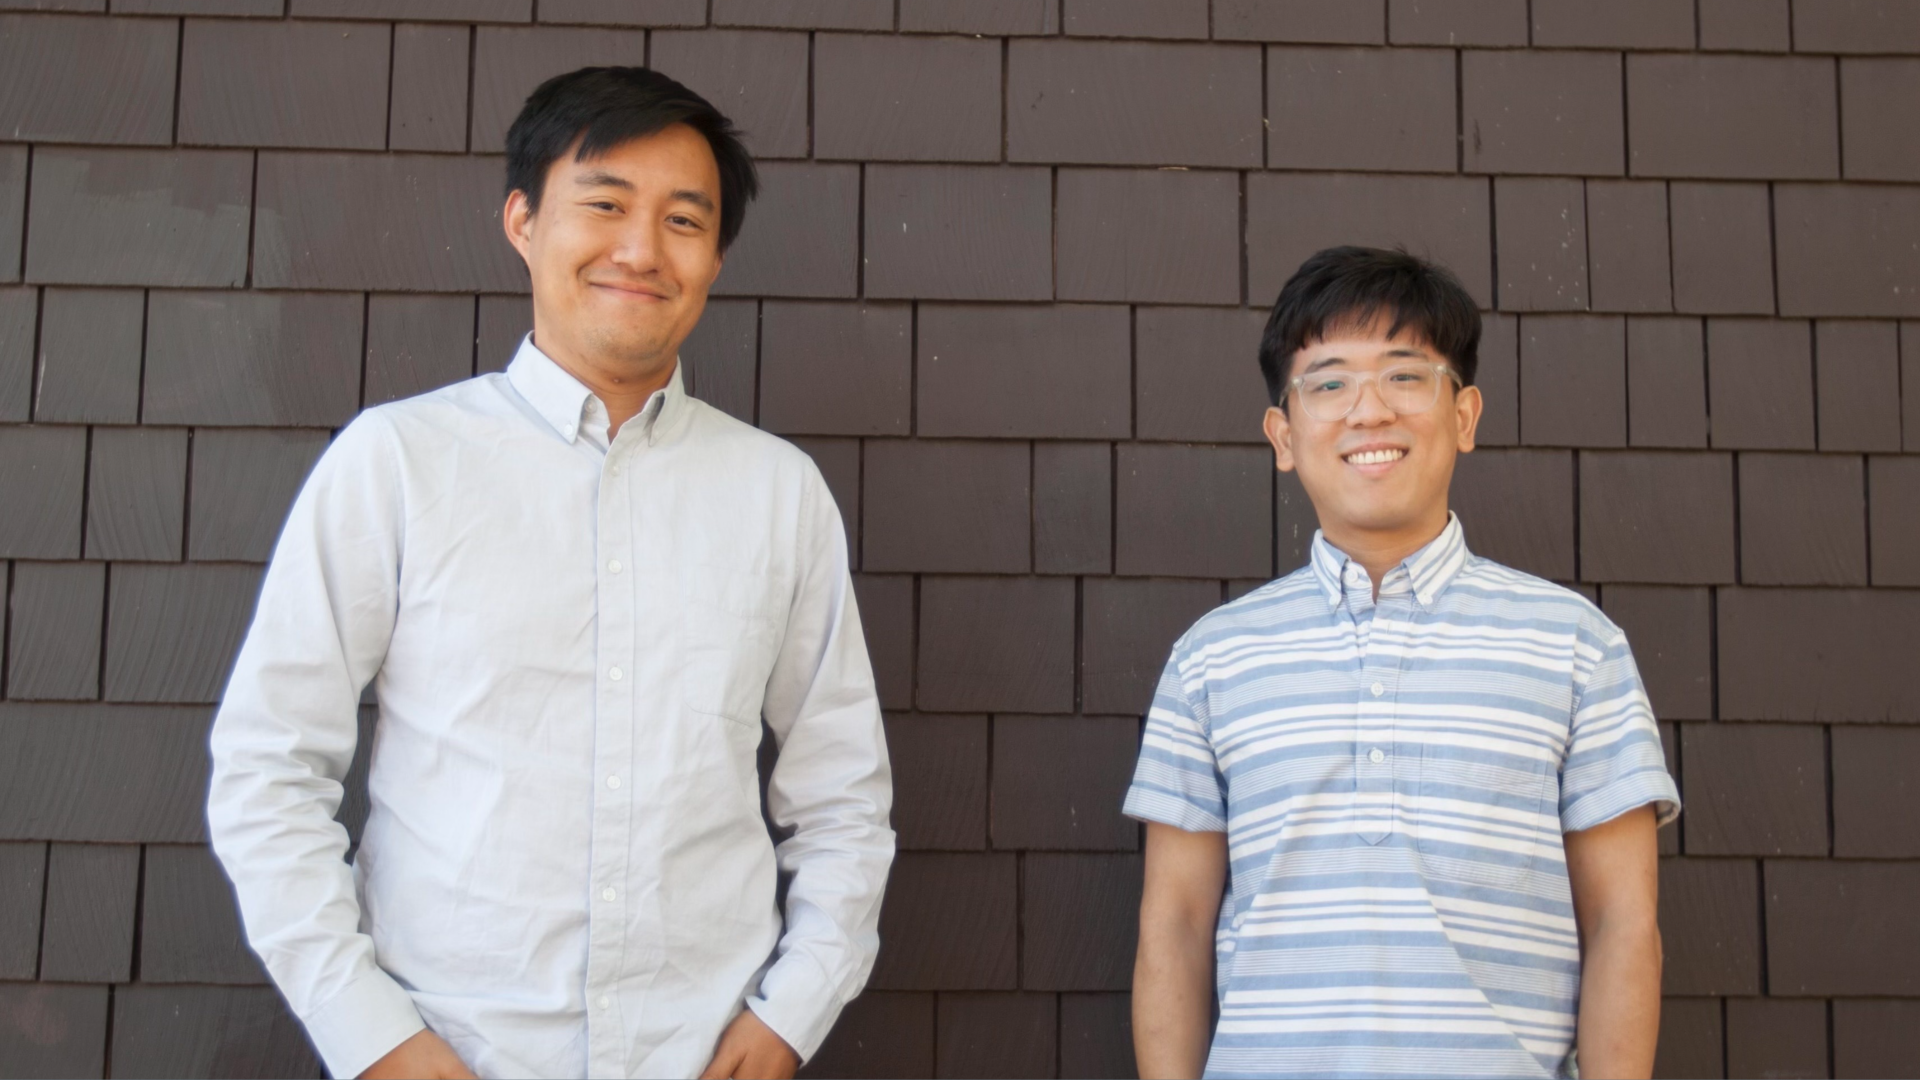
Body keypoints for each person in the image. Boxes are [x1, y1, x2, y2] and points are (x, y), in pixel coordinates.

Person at [207, 67, 893, 1080]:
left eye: (683, 221)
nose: (640, 250)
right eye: (605, 204)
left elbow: (842, 799)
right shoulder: (396, 462)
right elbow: (268, 771)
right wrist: (373, 1037)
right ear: (523, 221)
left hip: (696, 1056)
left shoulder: (778, 494)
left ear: (714, 258)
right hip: (450, 1053)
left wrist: (792, 1013)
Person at [1126, 247, 1679, 1080]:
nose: (1368, 410)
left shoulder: (1576, 646)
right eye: (1329, 381)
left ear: (1464, 415)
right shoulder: (1212, 658)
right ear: (1284, 434)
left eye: (1405, 375)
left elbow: (1624, 926)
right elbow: (1172, 924)